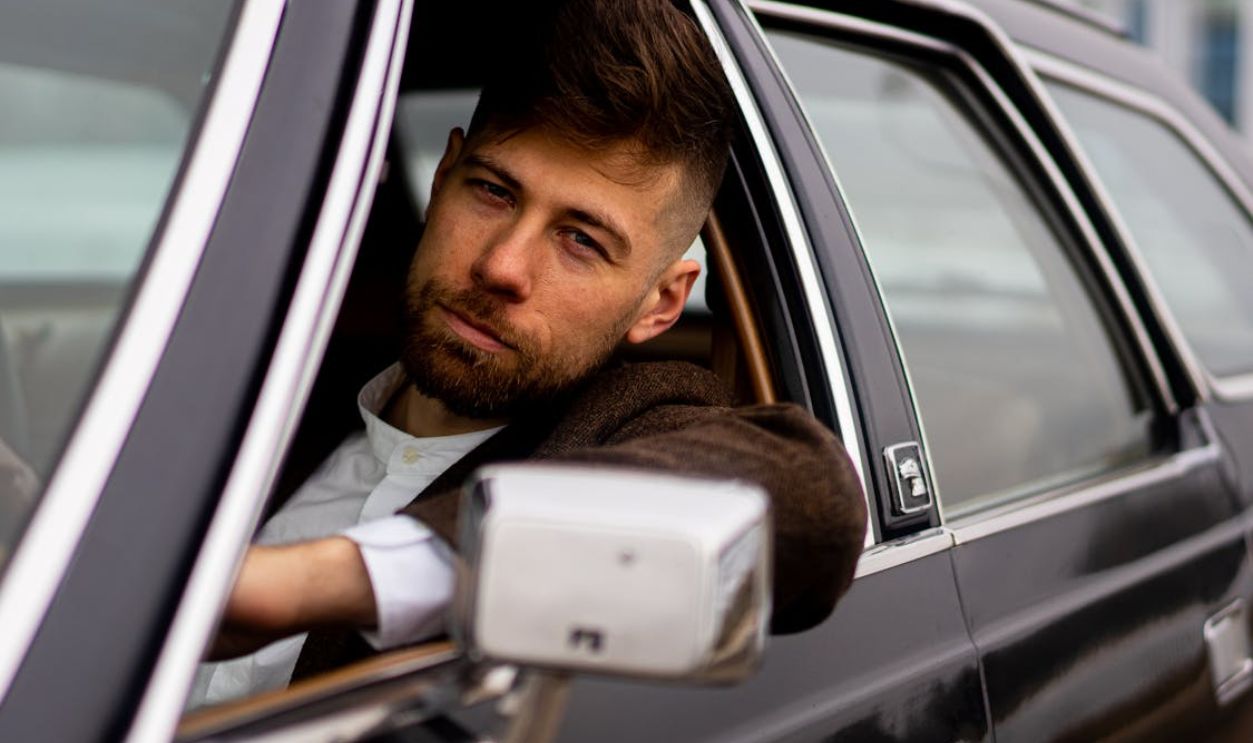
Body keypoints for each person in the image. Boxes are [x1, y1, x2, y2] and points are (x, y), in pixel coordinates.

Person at [191, 0, 866, 707]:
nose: (502, 267)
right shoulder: (274, 374)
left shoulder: (632, 421)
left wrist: (310, 584)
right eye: (491, 191)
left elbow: (811, 499)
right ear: (443, 175)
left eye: (581, 239)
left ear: (660, 303)